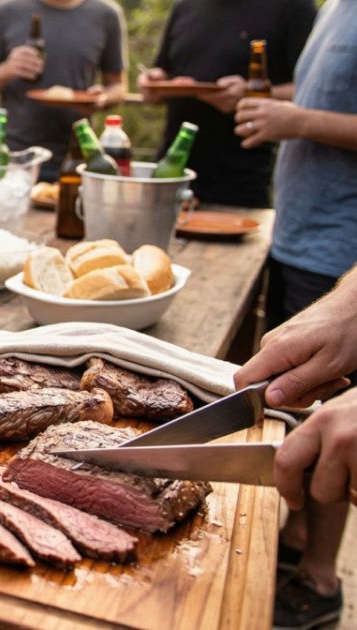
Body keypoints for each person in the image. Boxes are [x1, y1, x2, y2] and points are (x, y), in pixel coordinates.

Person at [231, 3, 357, 626]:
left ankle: (320, 580)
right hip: (305, 242)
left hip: (346, 247)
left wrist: (298, 119)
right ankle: (297, 541)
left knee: (340, 426)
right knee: (301, 410)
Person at [138, 0, 316, 208]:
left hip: (241, 182)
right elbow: (164, 70)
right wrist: (155, 82)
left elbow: (311, 90)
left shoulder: (293, 7)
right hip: (170, 175)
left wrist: (252, 93)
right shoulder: (184, 6)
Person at [0, 0, 128, 181]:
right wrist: (6, 70)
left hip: (79, 158)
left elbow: (118, 85)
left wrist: (103, 98)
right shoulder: (8, 10)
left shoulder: (106, 13)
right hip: (16, 159)